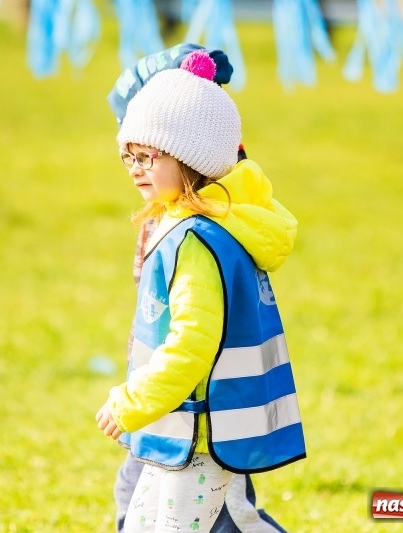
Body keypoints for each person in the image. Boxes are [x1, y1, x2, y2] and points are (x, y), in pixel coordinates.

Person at [96, 49, 306, 533]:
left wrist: (131, 402)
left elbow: (192, 346)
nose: (134, 168)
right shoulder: (184, 225)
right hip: (180, 426)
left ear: (190, 158)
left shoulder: (197, 241)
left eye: (147, 156)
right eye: (128, 155)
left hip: (201, 434)